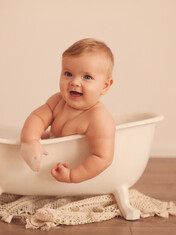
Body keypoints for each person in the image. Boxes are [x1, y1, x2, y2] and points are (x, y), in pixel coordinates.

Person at [20, 38, 115, 183]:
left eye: (87, 77)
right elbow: (37, 117)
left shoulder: (99, 119)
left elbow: (102, 158)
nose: (75, 82)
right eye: (68, 74)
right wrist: (31, 140)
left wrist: (72, 176)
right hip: (47, 161)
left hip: (67, 167)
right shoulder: (57, 101)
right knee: (22, 140)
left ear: (105, 86)